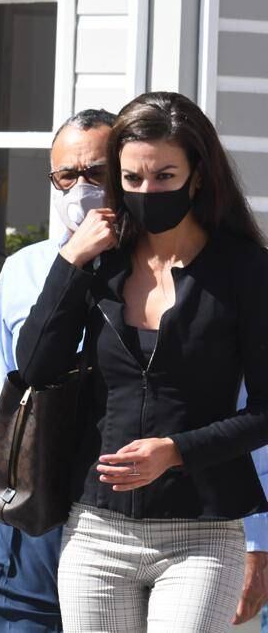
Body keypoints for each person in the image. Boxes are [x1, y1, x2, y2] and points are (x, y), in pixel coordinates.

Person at [15, 91, 268, 632]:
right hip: (96, 530)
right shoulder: (100, 263)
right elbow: (35, 366)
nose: (147, 191)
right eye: (132, 179)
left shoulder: (246, 271)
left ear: (197, 177)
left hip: (201, 533)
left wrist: (176, 451)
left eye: (164, 176)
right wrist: (71, 261)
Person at [0, 109, 117, 631]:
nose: (80, 187)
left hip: (122, 539)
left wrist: (256, 538)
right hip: (26, 540)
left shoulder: (155, 272)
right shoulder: (24, 269)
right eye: (66, 175)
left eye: (96, 172)